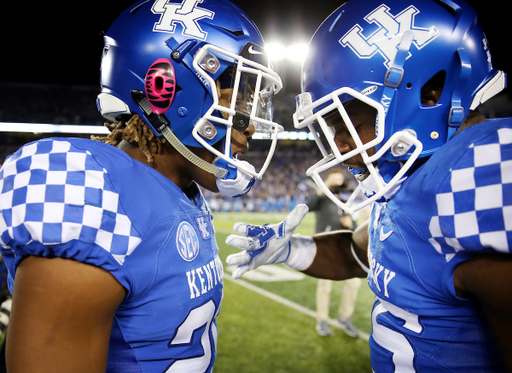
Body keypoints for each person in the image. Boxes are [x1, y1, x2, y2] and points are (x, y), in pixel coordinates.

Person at [225, 0, 512, 371]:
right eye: (333, 127)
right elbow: (359, 254)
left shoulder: (481, 170)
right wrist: (291, 251)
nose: (341, 145)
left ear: (430, 93)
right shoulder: (410, 177)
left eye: (351, 121)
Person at [0, 0, 283, 372]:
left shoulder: (182, 191)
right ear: (165, 88)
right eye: (237, 98)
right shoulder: (95, 192)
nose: (250, 123)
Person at [306, 171, 362, 337]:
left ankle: (344, 317)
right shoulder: (322, 199)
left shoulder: (346, 202)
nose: (338, 183)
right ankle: (322, 320)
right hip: (326, 246)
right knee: (325, 285)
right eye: (334, 180)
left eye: (340, 180)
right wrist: (323, 187)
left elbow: (355, 230)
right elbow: (307, 206)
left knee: (354, 283)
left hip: (345, 247)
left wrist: (350, 224)